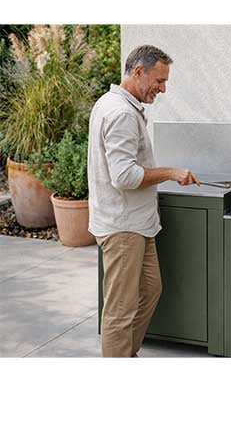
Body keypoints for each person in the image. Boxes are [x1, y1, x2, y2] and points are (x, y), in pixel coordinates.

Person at [88, 45, 200, 357]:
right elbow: (123, 176)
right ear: (138, 71)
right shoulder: (121, 113)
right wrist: (171, 173)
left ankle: (126, 354)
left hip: (136, 223)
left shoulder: (113, 104)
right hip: (123, 227)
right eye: (159, 81)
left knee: (150, 289)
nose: (163, 89)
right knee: (120, 309)